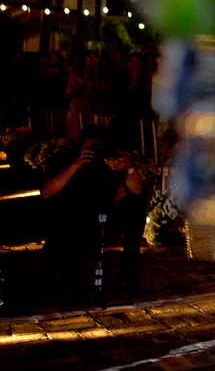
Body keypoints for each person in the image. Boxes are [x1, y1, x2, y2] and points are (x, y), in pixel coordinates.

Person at [41, 124, 146, 294]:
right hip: (70, 227)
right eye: (91, 147)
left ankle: (128, 270)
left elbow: (137, 190)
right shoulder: (65, 158)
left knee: (137, 202)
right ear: (81, 145)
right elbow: (46, 192)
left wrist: (129, 167)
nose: (95, 152)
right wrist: (75, 165)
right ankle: (64, 268)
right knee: (63, 279)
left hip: (104, 223)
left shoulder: (112, 160)